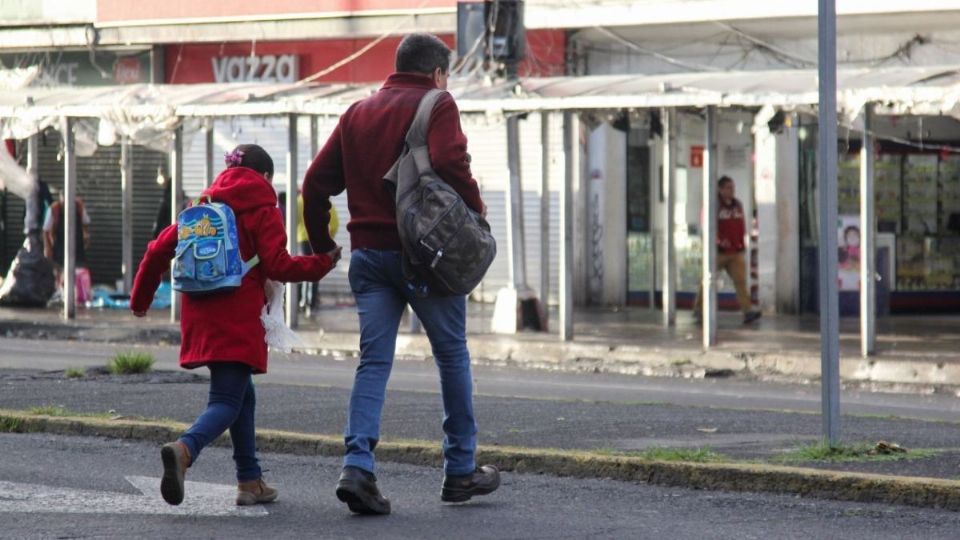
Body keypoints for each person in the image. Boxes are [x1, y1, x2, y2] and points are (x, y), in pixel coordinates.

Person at [302, 33, 498, 515]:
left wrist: (324, 246)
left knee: (374, 361)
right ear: (436, 73)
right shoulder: (438, 102)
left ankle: (357, 466)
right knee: (451, 355)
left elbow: (314, 184)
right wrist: (475, 211)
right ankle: (459, 471)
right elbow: (451, 160)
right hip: (425, 255)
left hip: (369, 257)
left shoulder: (356, 112)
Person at [129, 144, 341, 507]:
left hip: (200, 312)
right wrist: (322, 263)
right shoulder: (263, 208)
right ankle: (184, 449)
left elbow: (155, 251)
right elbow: (279, 266)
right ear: (266, 177)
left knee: (243, 393)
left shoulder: (203, 207)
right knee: (226, 399)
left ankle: (249, 481)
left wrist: (140, 301)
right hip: (238, 315)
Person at [693, 175, 761, 325]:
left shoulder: (737, 205)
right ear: (720, 189)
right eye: (728, 188)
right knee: (708, 280)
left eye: (733, 188)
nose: (732, 191)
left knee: (740, 281)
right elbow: (707, 227)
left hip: (735, 251)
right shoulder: (713, 205)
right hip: (718, 252)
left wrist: (741, 243)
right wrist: (717, 242)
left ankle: (748, 311)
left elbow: (740, 225)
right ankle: (699, 309)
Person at [297, 191, 338, 314]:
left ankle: (302, 301)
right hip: (317, 239)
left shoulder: (298, 200)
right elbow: (335, 223)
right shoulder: (324, 200)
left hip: (302, 239)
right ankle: (311, 303)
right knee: (316, 270)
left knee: (304, 269)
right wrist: (328, 239)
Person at [42, 188, 91, 283]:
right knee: (60, 274)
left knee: (79, 273)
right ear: (61, 200)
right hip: (60, 247)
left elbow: (85, 223)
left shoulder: (79, 207)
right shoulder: (54, 209)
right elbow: (45, 231)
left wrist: (86, 237)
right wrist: (47, 248)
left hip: (77, 247)